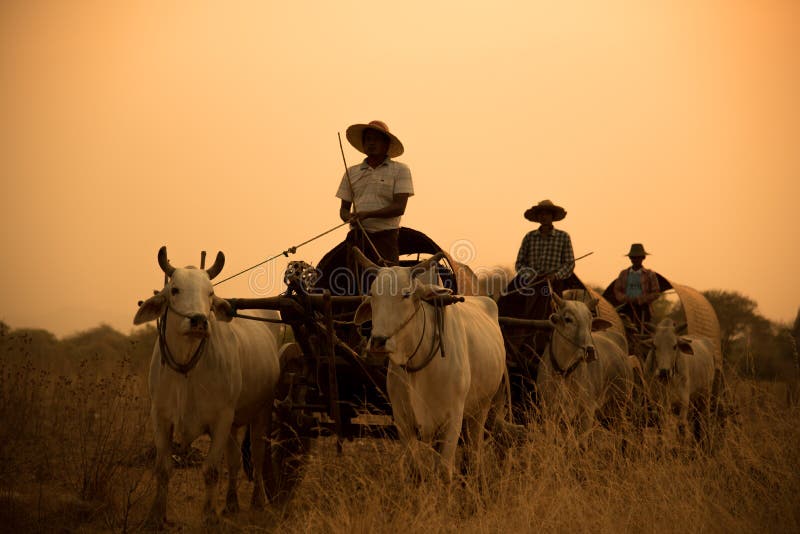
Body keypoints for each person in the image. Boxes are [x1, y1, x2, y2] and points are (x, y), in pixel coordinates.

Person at [336, 120, 413, 268]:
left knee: (386, 284)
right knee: (355, 284)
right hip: (357, 238)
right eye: (368, 139)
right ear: (364, 144)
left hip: (385, 238)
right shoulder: (351, 172)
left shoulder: (400, 170)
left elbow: (399, 207)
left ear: (387, 144)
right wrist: (349, 217)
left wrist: (367, 214)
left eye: (377, 139)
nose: (372, 143)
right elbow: (343, 210)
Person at [613, 243, 661, 334]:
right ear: (630, 259)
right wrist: (625, 298)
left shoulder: (650, 274)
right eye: (633, 257)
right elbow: (617, 290)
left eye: (638, 257)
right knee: (624, 329)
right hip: (626, 307)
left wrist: (642, 299)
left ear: (643, 258)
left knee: (643, 330)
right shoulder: (624, 274)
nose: (635, 260)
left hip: (643, 308)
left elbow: (656, 292)